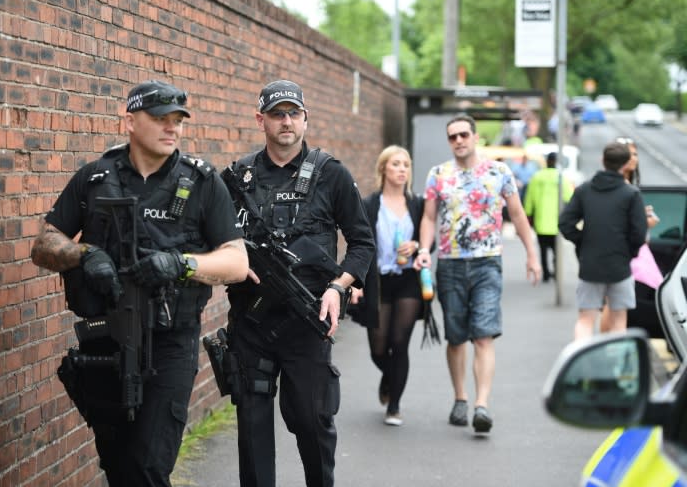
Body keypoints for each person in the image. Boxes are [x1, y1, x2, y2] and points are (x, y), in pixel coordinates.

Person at [30, 80, 249, 487]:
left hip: (170, 343)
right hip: (104, 338)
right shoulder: (95, 179)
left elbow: (237, 262)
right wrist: (84, 254)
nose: (172, 128)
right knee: (117, 462)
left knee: (148, 463)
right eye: (160, 119)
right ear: (129, 121)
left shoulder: (201, 183)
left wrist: (180, 263)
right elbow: (44, 244)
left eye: (178, 121)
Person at [222, 79, 374, 487]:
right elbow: (212, 241)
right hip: (251, 323)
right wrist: (235, 262)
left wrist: (338, 287)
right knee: (252, 433)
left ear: (306, 118)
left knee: (312, 422)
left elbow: (362, 243)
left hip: (308, 321)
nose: (286, 121)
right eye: (276, 114)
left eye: (293, 113)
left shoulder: (331, 175)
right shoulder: (237, 178)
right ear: (261, 120)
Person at [414, 115, 541, 434]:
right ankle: (460, 398)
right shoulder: (438, 175)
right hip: (451, 264)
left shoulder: (499, 172)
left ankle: (482, 405)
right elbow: (429, 218)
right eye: (452, 136)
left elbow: (517, 214)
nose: (458, 141)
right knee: (456, 337)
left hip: (487, 262)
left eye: (463, 135)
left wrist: (532, 254)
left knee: (483, 334)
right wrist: (424, 250)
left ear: (475, 137)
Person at [348, 145, 429, 427]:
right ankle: (389, 376)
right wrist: (355, 282)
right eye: (396, 164)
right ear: (383, 168)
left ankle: (394, 405)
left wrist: (417, 244)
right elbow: (358, 244)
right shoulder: (370, 204)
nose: (402, 169)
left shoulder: (417, 204)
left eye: (406, 164)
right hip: (378, 281)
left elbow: (428, 238)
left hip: (408, 280)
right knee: (378, 349)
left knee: (400, 343)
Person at [558, 141, 648, 341]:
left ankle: (583, 366)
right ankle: (614, 369)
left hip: (590, 264)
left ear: (602, 161)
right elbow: (639, 233)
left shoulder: (584, 190)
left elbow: (565, 223)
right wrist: (628, 252)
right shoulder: (631, 194)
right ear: (625, 165)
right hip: (620, 267)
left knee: (585, 320)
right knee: (618, 320)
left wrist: (583, 243)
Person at [599, 137, 661, 333]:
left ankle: (611, 346)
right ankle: (606, 345)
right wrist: (645, 223)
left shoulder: (626, 185)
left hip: (629, 253)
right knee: (615, 304)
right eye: (630, 154)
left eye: (635, 154)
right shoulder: (621, 186)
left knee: (618, 305)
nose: (634, 158)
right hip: (626, 254)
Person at [523, 152, 574, 282]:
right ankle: (556, 273)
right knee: (556, 251)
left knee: (543, 250)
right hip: (556, 221)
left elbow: (530, 197)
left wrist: (528, 213)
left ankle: (545, 273)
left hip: (541, 220)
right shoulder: (561, 178)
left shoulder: (537, 177)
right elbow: (569, 197)